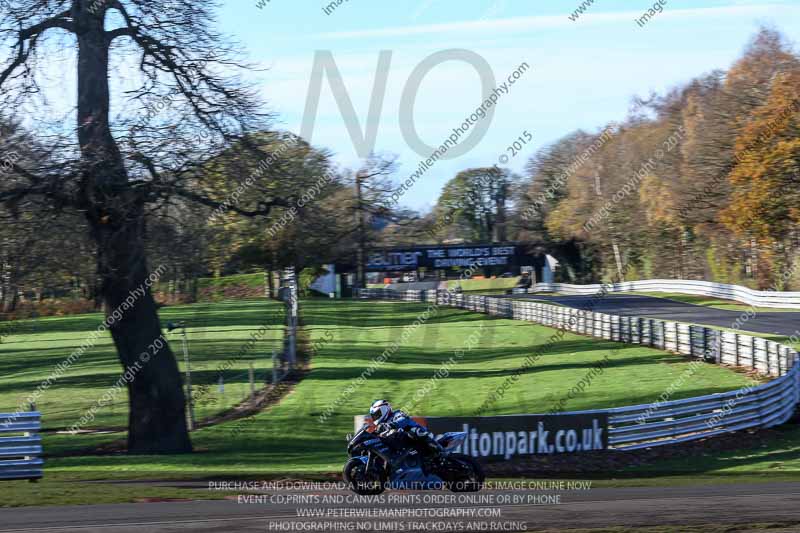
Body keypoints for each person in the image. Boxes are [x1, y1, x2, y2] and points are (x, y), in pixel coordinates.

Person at [369, 399, 444, 458]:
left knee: (415, 432)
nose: (375, 417)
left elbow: (403, 420)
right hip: (404, 448)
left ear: (384, 409)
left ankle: (439, 451)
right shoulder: (381, 426)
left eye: (377, 414)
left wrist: (391, 425)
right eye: (374, 415)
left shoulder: (397, 414)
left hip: (417, 439)